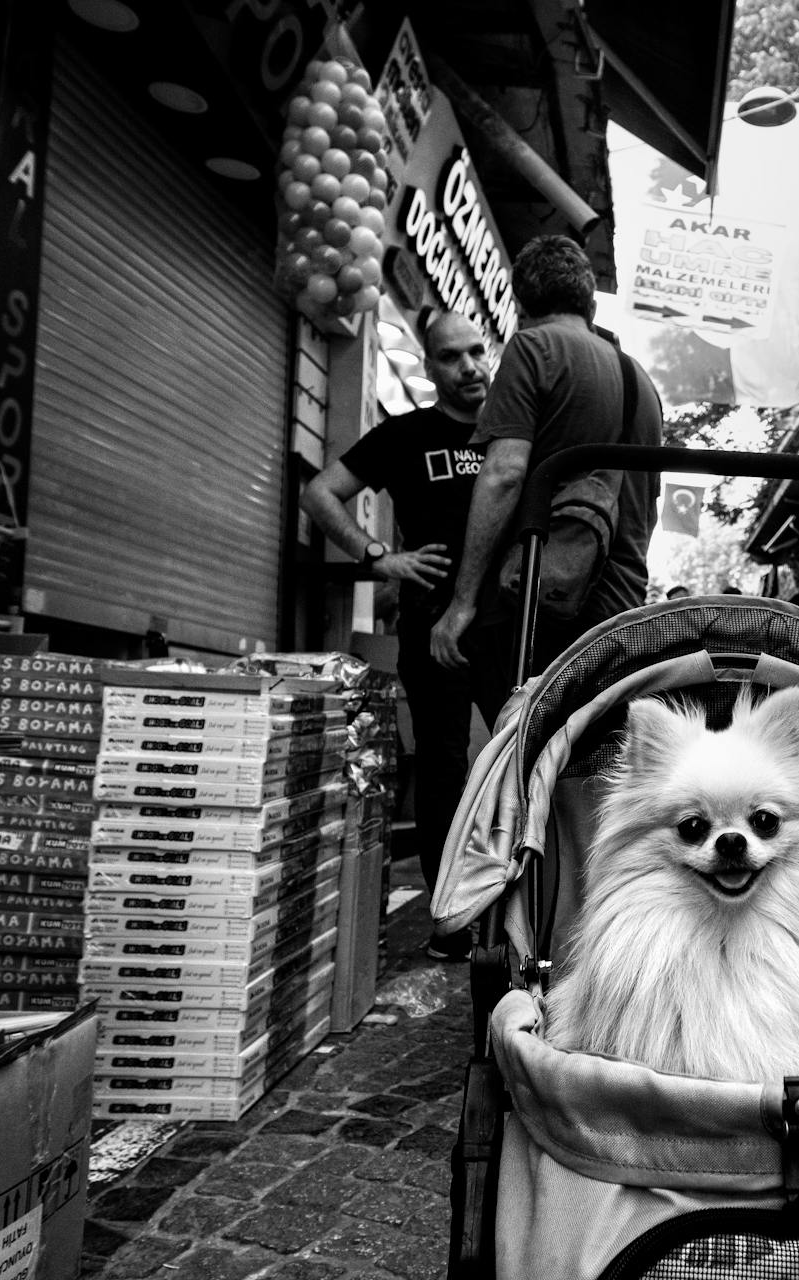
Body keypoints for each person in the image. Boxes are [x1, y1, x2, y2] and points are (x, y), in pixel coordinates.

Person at [299, 311, 491, 961]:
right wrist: (378, 556)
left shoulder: (512, 435)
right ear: (430, 367)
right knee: (443, 772)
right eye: (450, 357)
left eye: (475, 352)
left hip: (508, 624)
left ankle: (526, 912)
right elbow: (322, 493)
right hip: (433, 628)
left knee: (527, 765)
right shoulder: (406, 435)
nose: (468, 367)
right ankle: (450, 920)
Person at [429, 236, 663, 715]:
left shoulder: (533, 348)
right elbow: (647, 509)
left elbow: (504, 474)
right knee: (587, 764)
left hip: (537, 609)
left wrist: (462, 603)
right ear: (591, 301)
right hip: (619, 611)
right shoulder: (642, 381)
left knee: (522, 762)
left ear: (520, 304)